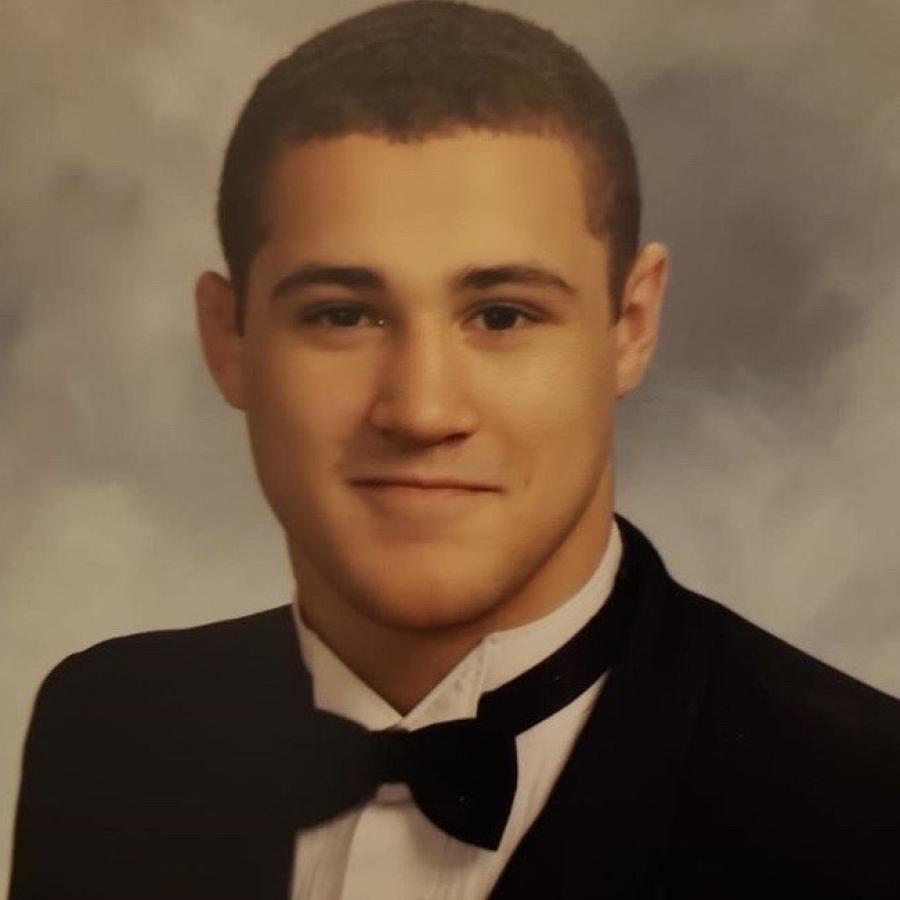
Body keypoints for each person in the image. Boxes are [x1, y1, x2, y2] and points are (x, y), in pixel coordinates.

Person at [8, 1, 900, 898]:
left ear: (630, 326)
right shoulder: (109, 729)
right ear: (229, 338)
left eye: (503, 314)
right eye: (342, 314)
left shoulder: (867, 806)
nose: (422, 409)